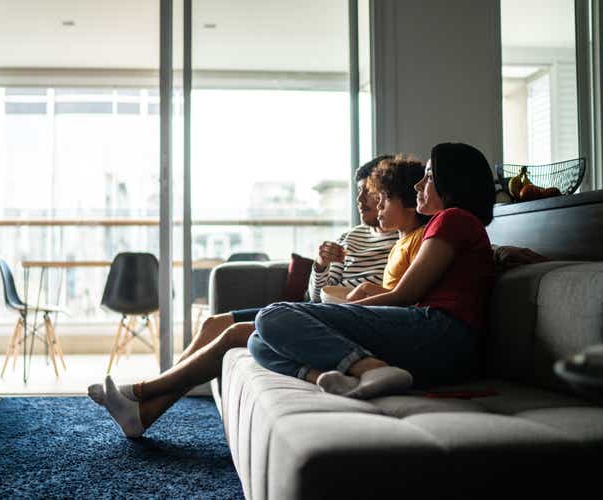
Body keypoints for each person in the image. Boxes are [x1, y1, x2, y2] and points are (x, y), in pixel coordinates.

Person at [87, 155, 399, 437]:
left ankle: (142, 397)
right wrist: (320, 265)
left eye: (367, 192)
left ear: (386, 193)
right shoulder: (350, 237)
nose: (360, 199)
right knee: (212, 323)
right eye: (357, 191)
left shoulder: (399, 242)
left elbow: (391, 296)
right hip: (311, 310)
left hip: (331, 320)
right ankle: (142, 410)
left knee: (234, 333)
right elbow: (315, 295)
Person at [246, 142, 497, 399]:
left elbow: (405, 294)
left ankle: (372, 369)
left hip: (441, 334)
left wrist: (339, 311)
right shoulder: (453, 225)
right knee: (257, 341)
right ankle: (336, 377)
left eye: (430, 177)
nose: (418, 185)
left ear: (453, 183)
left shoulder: (452, 219)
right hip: (433, 342)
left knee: (273, 315)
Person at [321, 155, 430, 304]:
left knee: (283, 311)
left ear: (410, 203)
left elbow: (408, 297)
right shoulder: (399, 244)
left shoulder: (420, 240)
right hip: (348, 305)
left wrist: (361, 294)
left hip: (382, 316)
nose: (379, 205)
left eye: (385, 197)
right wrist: (321, 265)